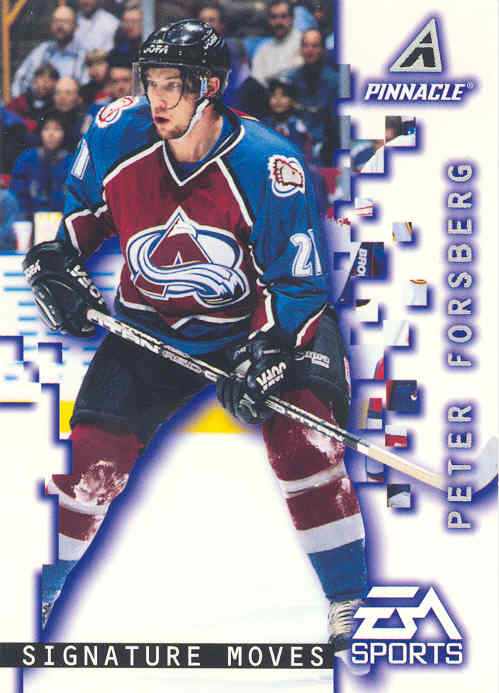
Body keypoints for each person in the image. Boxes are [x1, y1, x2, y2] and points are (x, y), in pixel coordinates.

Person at [23, 20, 368, 663]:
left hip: (258, 325)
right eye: (150, 82)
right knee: (91, 464)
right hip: (153, 324)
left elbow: (297, 284)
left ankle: (349, 597)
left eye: (171, 86)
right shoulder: (115, 132)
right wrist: (55, 259)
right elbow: (80, 212)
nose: (154, 98)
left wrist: (267, 356)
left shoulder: (269, 166)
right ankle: (36, 592)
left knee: (304, 444)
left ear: (208, 89)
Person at [286, 29, 339, 164]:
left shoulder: (335, 82)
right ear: (301, 49)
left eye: (315, 46)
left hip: (327, 146)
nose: (309, 50)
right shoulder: (292, 79)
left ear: (322, 50)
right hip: (297, 144)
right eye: (306, 45)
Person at [11, 6, 88, 99]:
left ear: (76, 26)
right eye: (56, 21)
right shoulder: (43, 49)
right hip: (40, 104)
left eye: (65, 21)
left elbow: (85, 88)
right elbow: (21, 78)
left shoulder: (82, 54)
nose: (59, 26)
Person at [9, 112, 72, 221]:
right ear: (40, 132)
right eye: (46, 129)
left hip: (63, 220)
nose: (51, 134)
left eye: (57, 129)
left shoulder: (71, 161)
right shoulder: (27, 158)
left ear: (64, 133)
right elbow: (17, 194)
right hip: (29, 219)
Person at [251, 0, 304, 86]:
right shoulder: (263, 49)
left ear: (292, 18)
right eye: (274, 17)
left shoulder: (302, 42)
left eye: (283, 16)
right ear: (269, 20)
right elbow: (256, 80)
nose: (278, 22)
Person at [81, 51, 133, 133]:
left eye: (126, 80)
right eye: (115, 81)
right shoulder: (97, 108)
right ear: (109, 84)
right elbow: (86, 136)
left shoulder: (145, 107)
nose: (121, 87)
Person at [263, 77, 311, 157]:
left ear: (293, 100)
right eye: (273, 95)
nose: (278, 100)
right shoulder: (264, 126)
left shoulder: (299, 125)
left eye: (283, 95)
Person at [6, 64, 60, 135]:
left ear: (55, 83)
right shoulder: (21, 101)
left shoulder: (57, 105)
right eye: (41, 78)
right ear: (34, 80)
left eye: (50, 79)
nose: (45, 83)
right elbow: (7, 116)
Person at [51, 77, 85, 151]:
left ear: (79, 98)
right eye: (58, 93)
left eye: (68, 93)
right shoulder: (47, 118)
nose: (62, 97)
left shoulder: (85, 122)